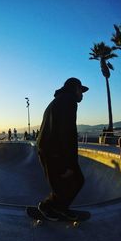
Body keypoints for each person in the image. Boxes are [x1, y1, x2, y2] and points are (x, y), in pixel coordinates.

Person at [36, 77, 89, 221]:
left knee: (62, 185)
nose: (82, 95)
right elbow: (68, 132)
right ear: (76, 89)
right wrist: (70, 163)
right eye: (81, 91)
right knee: (76, 180)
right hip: (55, 152)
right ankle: (50, 207)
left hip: (48, 150)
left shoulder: (56, 101)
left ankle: (57, 207)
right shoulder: (69, 101)